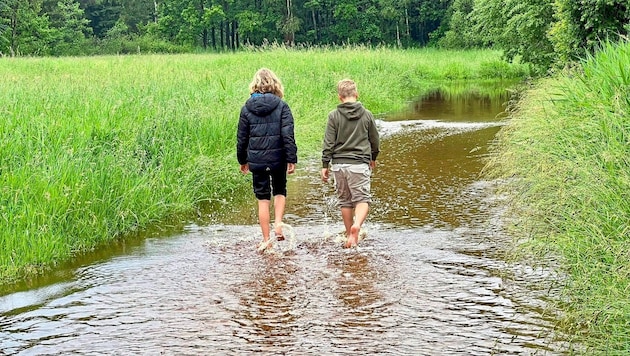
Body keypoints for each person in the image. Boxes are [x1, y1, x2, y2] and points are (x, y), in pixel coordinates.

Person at [237, 68, 297, 248]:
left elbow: (242, 138)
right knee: (280, 189)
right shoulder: (282, 106)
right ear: (275, 84)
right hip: (278, 158)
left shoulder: (246, 108)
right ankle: (278, 225)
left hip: (257, 160)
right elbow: (288, 135)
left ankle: (265, 240)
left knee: (262, 198)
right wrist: (291, 158)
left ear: (255, 85)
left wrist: (242, 160)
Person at [321, 79, 380, 248]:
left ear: (340, 97)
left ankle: (349, 235)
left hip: (339, 165)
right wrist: (373, 157)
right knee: (362, 199)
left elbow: (328, 142)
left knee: (345, 201)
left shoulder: (333, 116)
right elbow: (374, 140)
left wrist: (325, 164)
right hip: (359, 164)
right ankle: (357, 226)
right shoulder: (367, 114)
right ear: (357, 94)